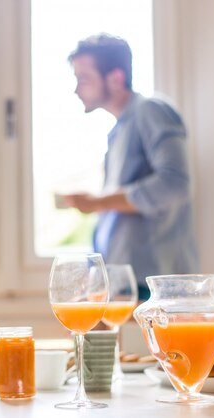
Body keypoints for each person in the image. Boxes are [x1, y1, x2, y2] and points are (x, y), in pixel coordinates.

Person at [62, 34, 199, 300]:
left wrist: (98, 201)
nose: (77, 89)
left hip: (152, 287)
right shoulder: (119, 130)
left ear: (115, 78)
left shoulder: (150, 110)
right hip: (125, 284)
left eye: (84, 78)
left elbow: (175, 184)